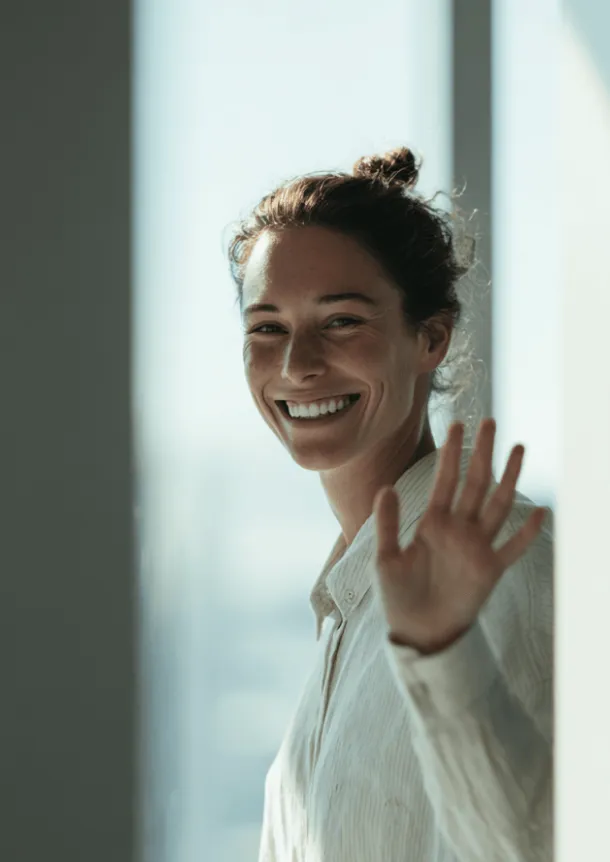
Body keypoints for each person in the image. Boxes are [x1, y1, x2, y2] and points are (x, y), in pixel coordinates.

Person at [226, 147, 553, 862]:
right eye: (266, 328)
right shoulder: (351, 604)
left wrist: (442, 650)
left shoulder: (509, 569)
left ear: (429, 337)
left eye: (341, 321)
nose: (297, 364)